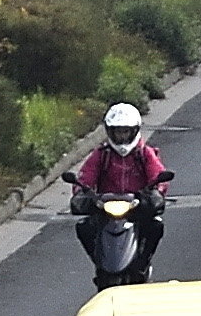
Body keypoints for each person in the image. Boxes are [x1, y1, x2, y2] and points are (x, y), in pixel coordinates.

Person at [71, 102, 170, 282]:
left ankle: (142, 263)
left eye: (126, 131)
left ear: (134, 131)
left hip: (136, 207)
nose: (122, 136)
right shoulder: (102, 155)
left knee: (155, 226)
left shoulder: (144, 153)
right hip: (105, 208)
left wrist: (156, 192)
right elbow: (85, 177)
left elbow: (158, 174)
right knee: (84, 227)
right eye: (118, 131)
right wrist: (81, 193)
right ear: (110, 132)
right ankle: (100, 263)